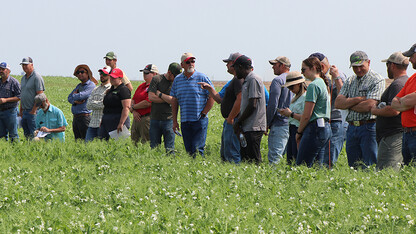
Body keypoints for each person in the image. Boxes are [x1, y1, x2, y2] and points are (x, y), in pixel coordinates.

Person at [335, 51, 385, 168]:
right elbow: (338, 103)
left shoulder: (377, 80)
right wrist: (359, 99)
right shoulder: (350, 80)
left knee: (370, 164)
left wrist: (348, 103)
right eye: (355, 67)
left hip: (369, 127)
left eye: (361, 66)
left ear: (368, 63)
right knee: (354, 165)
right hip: (352, 127)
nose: (358, 70)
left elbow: (368, 106)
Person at [199, 52, 243, 164]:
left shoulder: (239, 80)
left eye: (228, 63)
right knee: (226, 152)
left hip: (233, 120)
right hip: (230, 121)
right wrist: (209, 88)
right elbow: (219, 99)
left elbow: (240, 99)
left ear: (234, 63)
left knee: (232, 153)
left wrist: (231, 118)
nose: (226, 65)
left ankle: (234, 175)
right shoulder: (231, 82)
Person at [170, 52, 215, 157]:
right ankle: (192, 168)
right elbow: (174, 100)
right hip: (185, 120)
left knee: (198, 149)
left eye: (193, 61)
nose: (191, 64)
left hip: (199, 120)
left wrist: (204, 113)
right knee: (189, 150)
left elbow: (212, 95)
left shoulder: (202, 77)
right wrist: (174, 121)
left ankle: (199, 169)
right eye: (188, 62)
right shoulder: (177, 80)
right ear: (182, 65)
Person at [371, 52, 408, 170]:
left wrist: (374, 110)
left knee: (387, 171)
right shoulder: (405, 81)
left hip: (392, 136)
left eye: (387, 65)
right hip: (394, 134)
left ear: (392, 65)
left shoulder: (398, 84)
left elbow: (394, 110)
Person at [309, 53, 347, 167]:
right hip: (322, 123)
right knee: (318, 159)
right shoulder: (318, 79)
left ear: (321, 65)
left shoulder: (338, 76)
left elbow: (344, 95)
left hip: (335, 121)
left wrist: (336, 77)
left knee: (328, 159)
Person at [296, 57, 331, 167]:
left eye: (304, 70)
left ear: (314, 68)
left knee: (302, 166)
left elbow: (307, 115)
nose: (302, 73)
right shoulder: (322, 83)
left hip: (314, 129)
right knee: (317, 167)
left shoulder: (313, 85)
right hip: (324, 128)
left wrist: (299, 132)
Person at [233, 55, 267, 164]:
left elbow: (253, 104)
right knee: (246, 159)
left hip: (254, 126)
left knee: (253, 159)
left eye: (235, 68)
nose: (235, 71)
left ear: (241, 67)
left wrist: (238, 121)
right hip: (248, 126)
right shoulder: (247, 80)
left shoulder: (253, 79)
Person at [148, 63, 182, 153]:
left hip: (169, 120)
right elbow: (151, 97)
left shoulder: (177, 82)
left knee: (170, 149)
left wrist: (159, 94)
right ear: (169, 72)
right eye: (174, 76)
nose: (176, 78)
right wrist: (169, 99)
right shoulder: (157, 79)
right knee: (154, 148)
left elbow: (174, 100)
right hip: (155, 119)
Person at [392, 43, 416, 165]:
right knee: (408, 173)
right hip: (407, 133)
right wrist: (407, 102)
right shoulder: (412, 79)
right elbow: (394, 102)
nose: (410, 60)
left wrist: (404, 101)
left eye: (412, 56)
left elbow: (404, 100)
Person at [266, 56, 292, 164]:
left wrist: (267, 123)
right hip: (293, 122)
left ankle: (273, 179)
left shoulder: (278, 81)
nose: (272, 67)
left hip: (279, 123)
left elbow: (273, 104)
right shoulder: (296, 79)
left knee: (274, 158)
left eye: (275, 64)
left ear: (282, 66)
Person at [279, 71, 307, 164]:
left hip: (299, 130)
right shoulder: (296, 97)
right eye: (288, 88)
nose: (290, 89)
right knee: (290, 159)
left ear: (299, 84)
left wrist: (290, 114)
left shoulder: (305, 97)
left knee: (297, 158)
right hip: (292, 128)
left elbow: (306, 117)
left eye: (292, 87)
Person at [98, 68, 131, 140]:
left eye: (114, 77)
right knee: (103, 142)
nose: (112, 79)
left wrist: (121, 123)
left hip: (117, 119)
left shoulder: (123, 89)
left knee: (117, 143)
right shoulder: (110, 90)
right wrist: (103, 120)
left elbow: (126, 107)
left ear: (120, 78)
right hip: (107, 119)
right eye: (111, 77)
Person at [68, 64, 97, 140]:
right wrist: (75, 101)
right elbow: (69, 98)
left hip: (85, 117)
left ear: (87, 73)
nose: (79, 74)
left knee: (86, 141)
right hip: (76, 118)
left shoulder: (91, 85)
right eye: (78, 73)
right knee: (78, 141)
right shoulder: (79, 86)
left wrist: (75, 96)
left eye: (82, 72)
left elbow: (82, 96)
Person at [130, 64, 158, 144]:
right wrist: (134, 111)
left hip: (147, 118)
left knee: (146, 142)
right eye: (144, 72)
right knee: (134, 142)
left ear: (154, 74)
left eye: (147, 73)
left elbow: (148, 102)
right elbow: (133, 99)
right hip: (136, 117)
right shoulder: (141, 86)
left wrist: (133, 107)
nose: (144, 74)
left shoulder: (155, 86)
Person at [19, 57, 45, 139]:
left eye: (26, 65)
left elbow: (40, 96)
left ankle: (35, 150)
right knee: (27, 135)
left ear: (32, 65)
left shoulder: (37, 77)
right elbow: (22, 95)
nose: (24, 67)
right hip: (25, 111)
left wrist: (34, 110)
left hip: (33, 111)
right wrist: (21, 110)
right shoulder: (23, 78)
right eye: (23, 65)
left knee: (34, 135)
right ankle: (28, 150)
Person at [85, 66, 112, 142]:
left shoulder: (111, 89)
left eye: (104, 74)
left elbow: (105, 104)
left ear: (110, 75)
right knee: (87, 146)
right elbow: (88, 105)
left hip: (103, 124)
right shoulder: (96, 89)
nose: (101, 76)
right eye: (101, 73)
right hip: (92, 123)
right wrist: (99, 103)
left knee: (102, 146)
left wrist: (94, 103)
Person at [0, 62, 21, 142]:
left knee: (13, 134)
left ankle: (16, 151)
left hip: (11, 111)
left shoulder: (14, 82)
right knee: (1, 135)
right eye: (0, 69)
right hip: (0, 111)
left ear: (8, 71)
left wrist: (6, 100)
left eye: (3, 69)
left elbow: (19, 96)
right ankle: (4, 150)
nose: (1, 71)